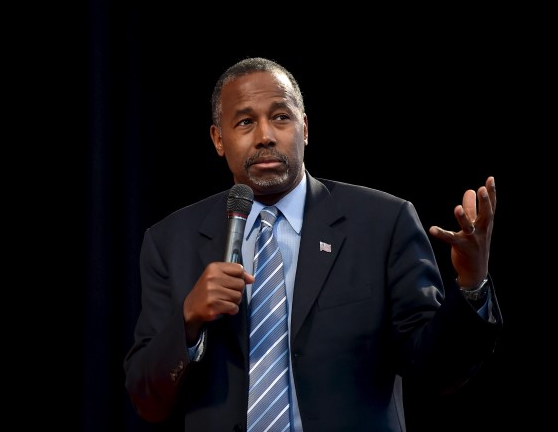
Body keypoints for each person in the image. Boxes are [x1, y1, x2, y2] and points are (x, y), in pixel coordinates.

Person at [123, 57, 501, 431]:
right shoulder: (171, 241)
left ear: (304, 128)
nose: (265, 135)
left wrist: (471, 284)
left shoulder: (383, 222)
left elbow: (437, 372)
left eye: (281, 117)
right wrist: (187, 321)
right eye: (244, 122)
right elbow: (147, 401)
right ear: (219, 139)